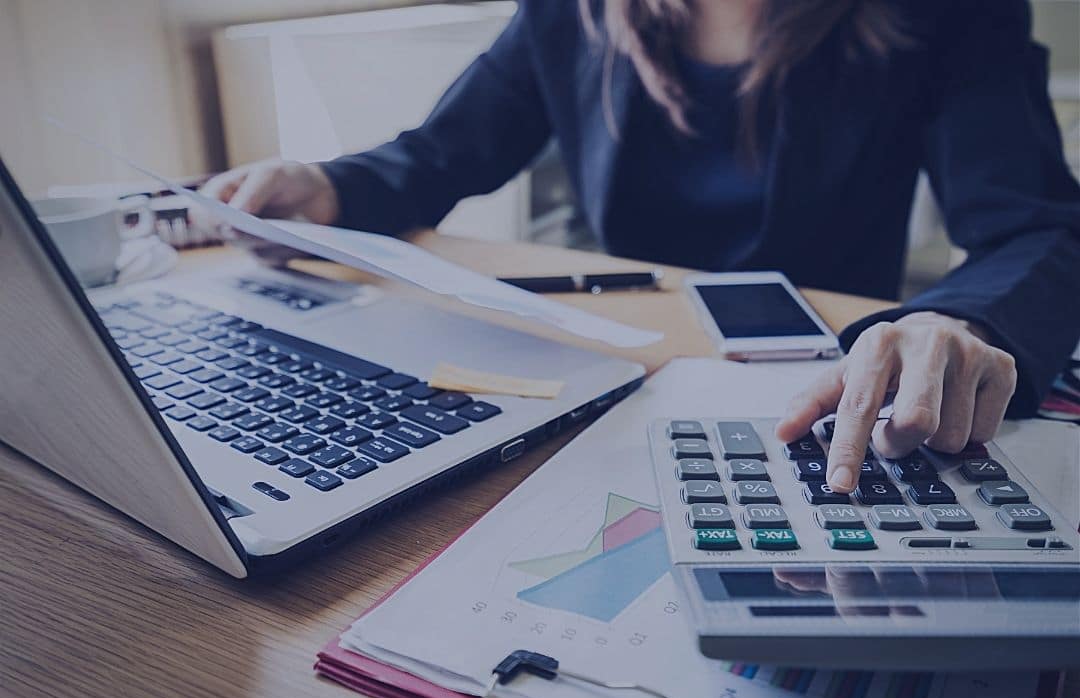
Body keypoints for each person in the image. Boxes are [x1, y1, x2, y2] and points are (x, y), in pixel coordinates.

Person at [200, 0, 1080, 494]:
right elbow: (441, 155)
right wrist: (332, 187)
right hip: (612, 388)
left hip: (821, 398)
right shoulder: (567, 11)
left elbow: (1035, 223)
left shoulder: (953, 13)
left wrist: (956, 321)